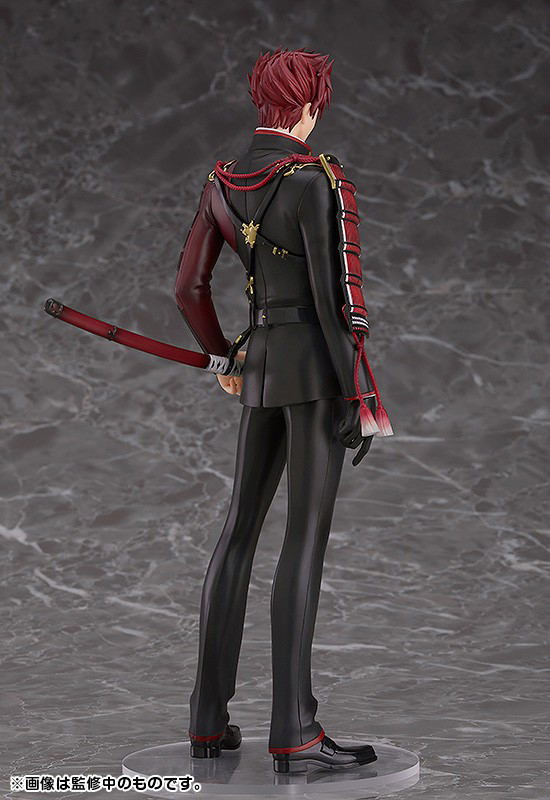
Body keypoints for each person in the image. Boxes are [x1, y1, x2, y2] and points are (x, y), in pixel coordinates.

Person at [174, 47, 392, 774]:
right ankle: (294, 730)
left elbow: (188, 290)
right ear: (309, 104)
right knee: (302, 541)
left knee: (237, 533)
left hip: (261, 363)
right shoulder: (315, 180)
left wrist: (223, 356)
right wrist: (357, 394)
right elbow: (337, 305)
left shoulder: (221, 181)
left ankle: (207, 723)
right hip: (315, 372)